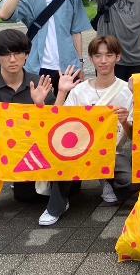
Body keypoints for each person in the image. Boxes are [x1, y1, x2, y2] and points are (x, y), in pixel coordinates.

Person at [0, 29, 55, 226]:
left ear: (27, 55)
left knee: (27, 197)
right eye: (5, 54)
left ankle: (23, 183)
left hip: (32, 151)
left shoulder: (39, 85)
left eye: (18, 53)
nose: (12, 59)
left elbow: (53, 129)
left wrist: (40, 105)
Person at [49, 36, 134, 223]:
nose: (103, 61)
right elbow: (56, 123)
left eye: (109, 55)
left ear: (118, 57)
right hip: (78, 151)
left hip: (111, 152)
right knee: (61, 165)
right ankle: (55, 206)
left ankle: (108, 180)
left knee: (130, 182)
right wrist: (62, 92)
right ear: (91, 59)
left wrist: (125, 122)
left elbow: (134, 136)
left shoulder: (127, 91)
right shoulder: (79, 90)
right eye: (98, 56)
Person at [0, 0, 91, 93]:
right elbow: (4, 14)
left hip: (67, 67)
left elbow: (76, 32)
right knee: (39, 106)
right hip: (36, 66)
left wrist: (79, 64)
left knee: (68, 107)